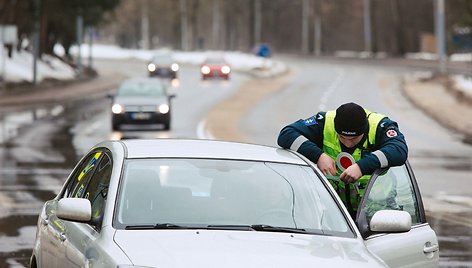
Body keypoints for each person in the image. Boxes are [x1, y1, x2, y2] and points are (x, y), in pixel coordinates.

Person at [277, 102, 408, 217]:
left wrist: (361, 167)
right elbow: (286, 135)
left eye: (353, 139)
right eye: (342, 137)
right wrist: (318, 155)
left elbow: (399, 151)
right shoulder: (325, 122)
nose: (347, 144)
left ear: (364, 130)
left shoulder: (381, 126)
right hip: (335, 212)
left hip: (377, 211)